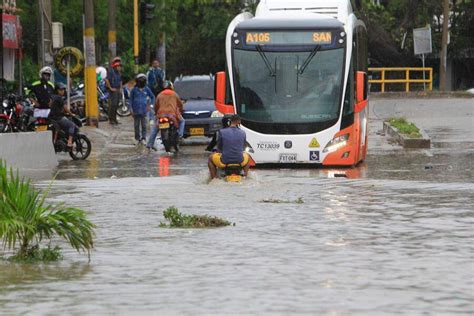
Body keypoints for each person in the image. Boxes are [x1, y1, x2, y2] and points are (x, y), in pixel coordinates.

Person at [208, 114, 250, 179]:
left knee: (210, 158)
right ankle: (246, 176)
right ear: (239, 122)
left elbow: (219, 148)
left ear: (230, 121)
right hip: (240, 160)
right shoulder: (243, 132)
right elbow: (243, 147)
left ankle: (213, 178)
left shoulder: (221, 132)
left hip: (224, 161)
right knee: (248, 157)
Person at [147, 80, 184, 151]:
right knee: (182, 121)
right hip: (172, 116)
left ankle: (149, 145)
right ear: (171, 86)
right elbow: (180, 105)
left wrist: (156, 113)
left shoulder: (159, 95)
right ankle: (180, 135)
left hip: (161, 115)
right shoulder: (175, 94)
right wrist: (181, 110)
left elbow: (156, 106)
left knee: (155, 129)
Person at [48, 83, 79, 149]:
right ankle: (69, 142)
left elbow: (52, 106)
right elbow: (65, 107)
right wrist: (71, 114)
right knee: (72, 125)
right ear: (57, 90)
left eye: (63, 90)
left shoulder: (52, 96)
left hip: (51, 118)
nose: (62, 91)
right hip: (58, 118)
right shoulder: (59, 98)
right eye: (60, 90)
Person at [130, 73, 155, 145]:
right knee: (136, 125)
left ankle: (143, 138)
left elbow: (152, 97)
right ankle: (137, 138)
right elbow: (130, 100)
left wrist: (150, 106)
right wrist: (131, 109)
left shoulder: (147, 89)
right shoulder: (134, 90)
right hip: (136, 110)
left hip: (144, 110)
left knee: (144, 125)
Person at [105, 58, 122, 124]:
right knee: (113, 105)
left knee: (117, 105)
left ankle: (114, 119)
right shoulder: (111, 72)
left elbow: (120, 80)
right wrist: (111, 88)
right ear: (116, 66)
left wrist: (120, 88)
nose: (120, 68)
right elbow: (107, 80)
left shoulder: (119, 73)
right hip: (113, 90)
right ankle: (111, 119)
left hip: (117, 89)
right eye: (119, 66)